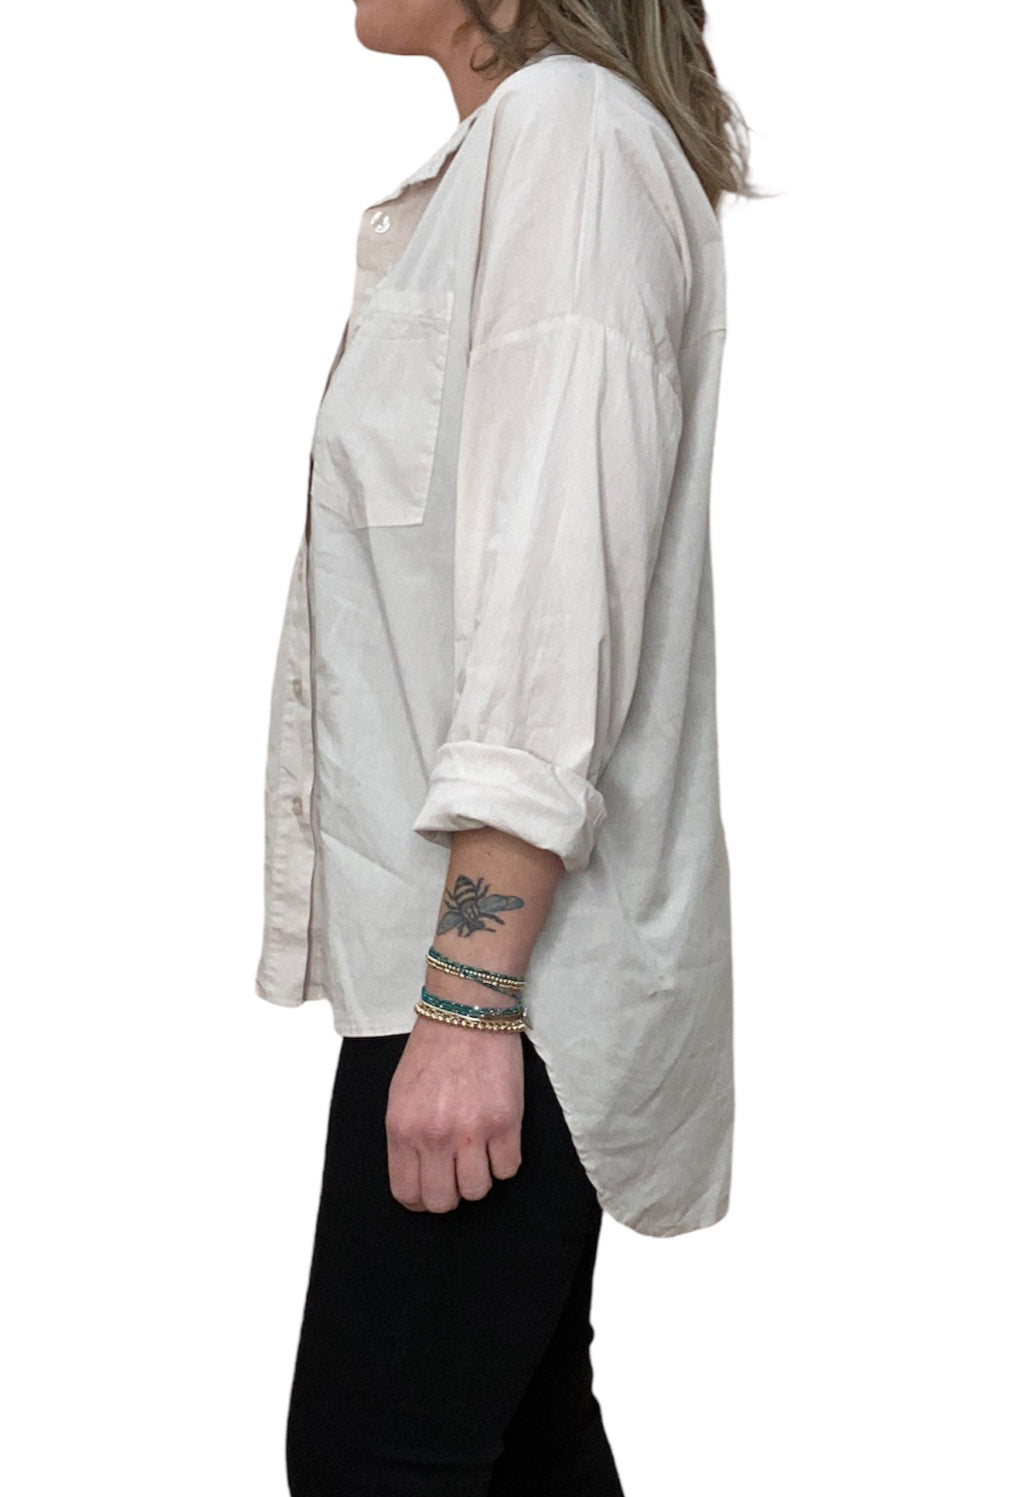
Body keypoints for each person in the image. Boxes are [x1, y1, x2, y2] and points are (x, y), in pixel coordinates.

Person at [253, 3, 757, 1492]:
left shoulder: (570, 141)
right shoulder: (522, 156)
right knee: (517, 1443)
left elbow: (555, 591)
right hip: (476, 980)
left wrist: (468, 1004)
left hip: (503, 986)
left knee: (376, 1458)